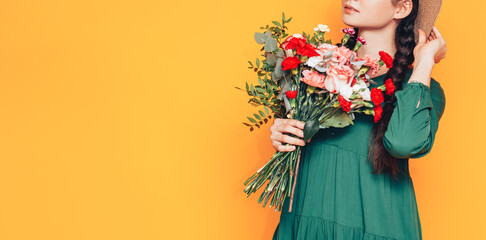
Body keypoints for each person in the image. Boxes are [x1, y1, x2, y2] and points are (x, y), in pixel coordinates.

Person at [271, 0, 447, 239]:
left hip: (378, 227)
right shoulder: (312, 68)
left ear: (401, 8)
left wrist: (425, 62)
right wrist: (283, 132)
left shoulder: (422, 89)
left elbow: (403, 143)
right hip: (306, 221)